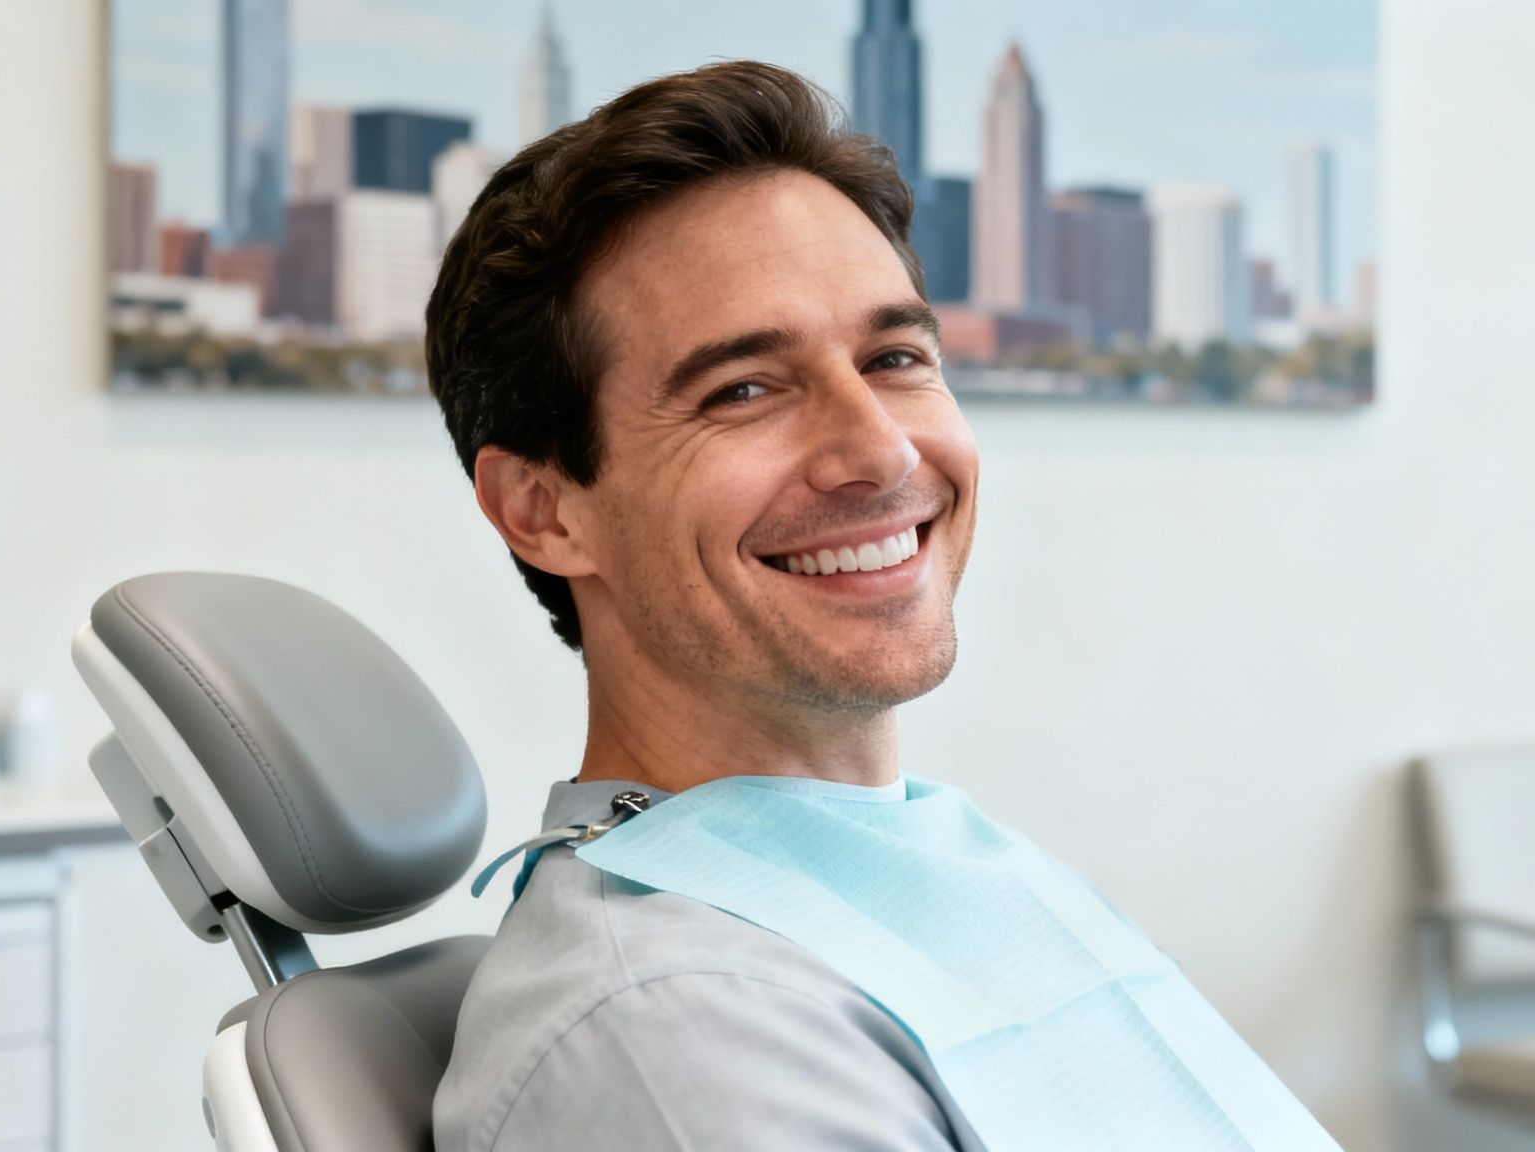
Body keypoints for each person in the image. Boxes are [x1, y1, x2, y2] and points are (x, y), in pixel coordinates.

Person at [425, 60, 1337, 1152]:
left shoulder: (936, 860)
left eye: (894, 356)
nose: (879, 448)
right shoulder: (676, 1030)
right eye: (743, 389)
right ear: (542, 510)